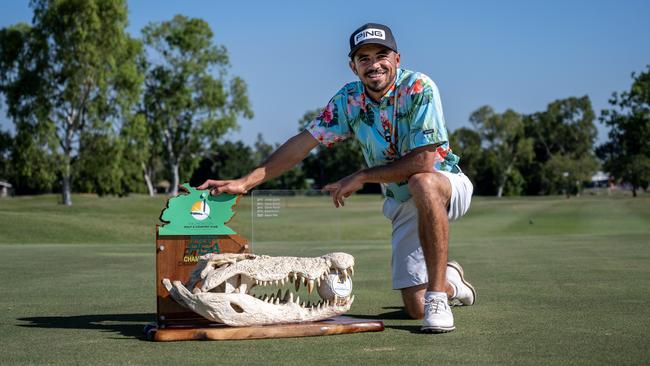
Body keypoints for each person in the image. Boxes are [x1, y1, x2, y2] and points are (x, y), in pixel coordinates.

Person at [199, 23, 476, 333]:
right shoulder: (348, 100)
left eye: (381, 55)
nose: (373, 64)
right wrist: (246, 182)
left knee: (422, 182)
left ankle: (438, 296)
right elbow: (303, 143)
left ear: (397, 59)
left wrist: (362, 176)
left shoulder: (419, 87)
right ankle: (450, 282)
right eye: (364, 58)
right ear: (353, 66)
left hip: (445, 185)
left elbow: (425, 161)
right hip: (402, 202)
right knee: (414, 306)